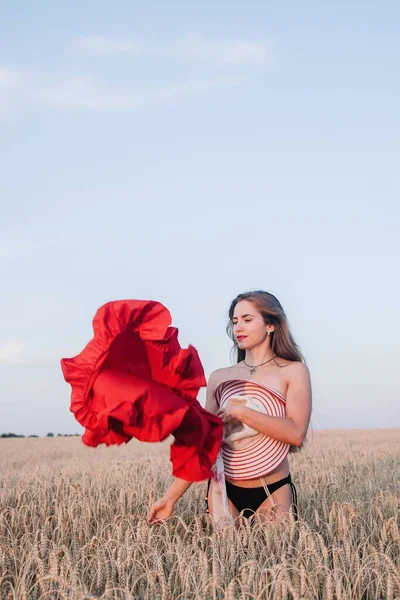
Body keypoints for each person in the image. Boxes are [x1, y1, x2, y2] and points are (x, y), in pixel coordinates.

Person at [147, 290, 312, 524]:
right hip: (224, 489)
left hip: (273, 489)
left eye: (247, 319)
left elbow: (295, 433)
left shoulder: (293, 371)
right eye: (235, 321)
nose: (238, 328)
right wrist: (170, 498)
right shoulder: (220, 378)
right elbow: (204, 444)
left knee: (279, 558)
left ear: (271, 325)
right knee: (226, 559)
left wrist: (241, 412)